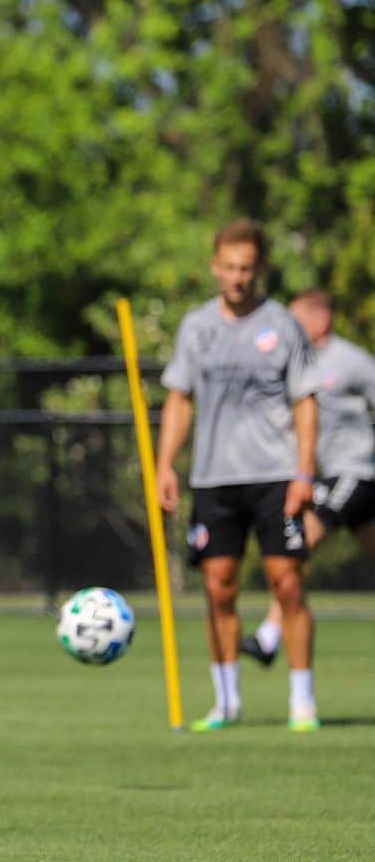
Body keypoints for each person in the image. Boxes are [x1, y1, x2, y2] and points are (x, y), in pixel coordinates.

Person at [156, 219, 321, 733]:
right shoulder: (196, 327)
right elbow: (180, 400)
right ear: (214, 266)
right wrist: (165, 464)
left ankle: (302, 701)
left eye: (246, 268)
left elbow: (305, 402)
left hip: (275, 475)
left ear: (259, 269)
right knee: (218, 587)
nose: (237, 277)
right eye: (228, 267)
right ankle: (226, 702)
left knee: (287, 583)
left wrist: (304, 472)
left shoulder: (283, 325)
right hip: (214, 478)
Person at [241, 289, 375, 666]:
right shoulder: (296, 361)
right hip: (326, 475)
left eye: (296, 320)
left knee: (295, 545)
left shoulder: (351, 360)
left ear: (321, 320)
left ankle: (268, 637)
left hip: (356, 472)